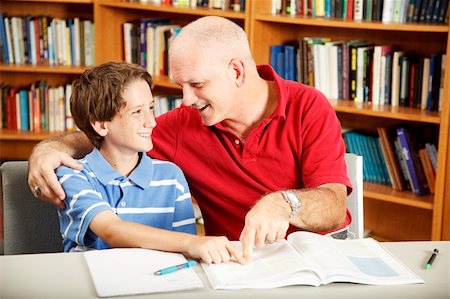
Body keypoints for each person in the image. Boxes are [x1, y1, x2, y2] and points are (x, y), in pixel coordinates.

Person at [28, 16, 352, 262]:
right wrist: (51, 148)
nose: (185, 100)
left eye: (196, 84)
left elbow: (334, 207)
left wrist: (283, 203)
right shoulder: (186, 123)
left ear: (237, 71)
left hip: (318, 256)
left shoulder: (308, 106)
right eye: (181, 86)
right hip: (241, 262)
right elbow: (117, 132)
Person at [54, 61, 245, 264]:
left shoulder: (171, 177)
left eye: (151, 108)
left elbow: (185, 254)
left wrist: (192, 247)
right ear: (101, 125)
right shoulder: (73, 174)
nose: (152, 121)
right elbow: (111, 231)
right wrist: (192, 243)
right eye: (137, 112)